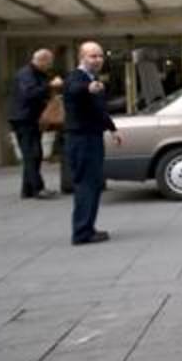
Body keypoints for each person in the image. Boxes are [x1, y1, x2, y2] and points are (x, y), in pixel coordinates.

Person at [63, 41, 123, 246]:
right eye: (92, 56)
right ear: (82, 58)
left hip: (92, 138)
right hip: (81, 141)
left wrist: (112, 129)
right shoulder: (77, 78)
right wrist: (88, 87)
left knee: (94, 185)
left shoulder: (93, 79)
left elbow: (99, 110)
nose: (97, 60)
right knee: (86, 186)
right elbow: (73, 89)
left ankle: (88, 228)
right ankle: (81, 232)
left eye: (99, 56)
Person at [8, 49, 63, 198]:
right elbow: (29, 93)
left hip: (30, 118)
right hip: (24, 119)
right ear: (42, 60)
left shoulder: (35, 73)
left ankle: (27, 190)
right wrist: (50, 86)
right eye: (49, 63)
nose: (50, 66)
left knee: (32, 154)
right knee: (32, 154)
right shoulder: (26, 74)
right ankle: (38, 188)